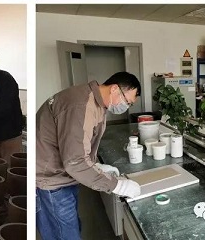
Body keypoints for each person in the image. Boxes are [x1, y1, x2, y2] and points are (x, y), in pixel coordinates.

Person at [36, 72, 142, 240]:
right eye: (127, 101)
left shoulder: (95, 103)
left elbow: (78, 147)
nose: (126, 107)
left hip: (63, 176)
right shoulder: (80, 105)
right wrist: (117, 186)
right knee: (65, 235)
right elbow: (75, 161)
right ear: (114, 89)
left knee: (71, 228)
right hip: (51, 182)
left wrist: (95, 166)